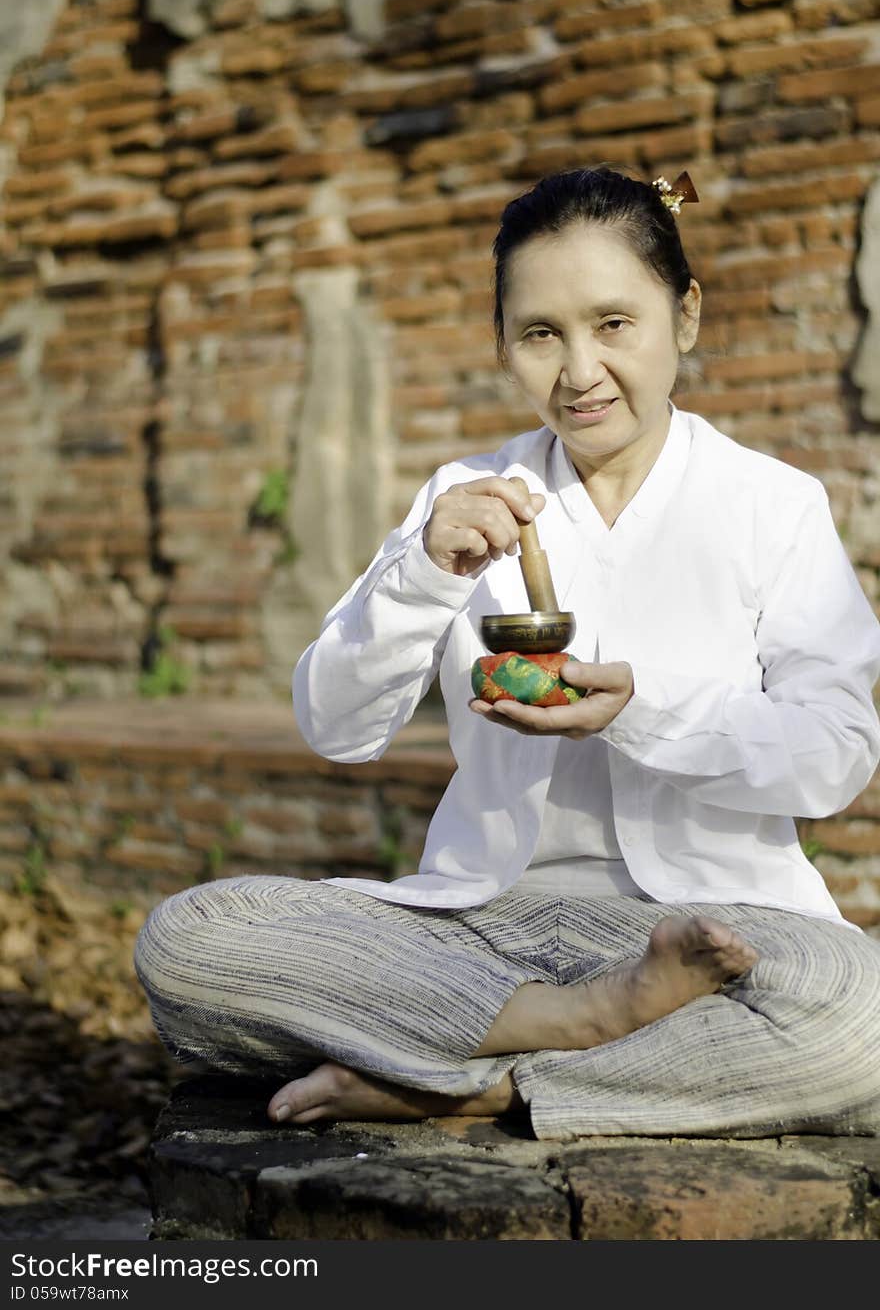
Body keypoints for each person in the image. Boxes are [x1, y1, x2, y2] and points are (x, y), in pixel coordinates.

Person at [135, 166, 880, 1140]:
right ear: (502, 346)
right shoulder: (467, 494)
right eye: (540, 334)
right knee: (187, 940)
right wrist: (425, 576)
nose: (577, 372)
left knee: (861, 1013)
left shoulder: (768, 504)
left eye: (614, 323)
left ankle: (477, 1078)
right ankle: (582, 1029)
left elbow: (835, 755)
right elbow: (336, 724)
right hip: (486, 923)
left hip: (710, 923)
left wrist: (640, 707)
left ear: (684, 316)